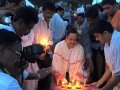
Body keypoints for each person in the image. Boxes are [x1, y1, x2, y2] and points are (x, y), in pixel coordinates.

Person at [92, 20, 120, 90]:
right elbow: (110, 68)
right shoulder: (107, 45)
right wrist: (98, 83)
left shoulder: (117, 42)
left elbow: (118, 75)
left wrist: (103, 89)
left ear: (105, 33)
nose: (96, 39)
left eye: (97, 36)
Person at [85, 6, 105, 83]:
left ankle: (104, 83)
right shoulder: (85, 26)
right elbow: (86, 43)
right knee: (92, 65)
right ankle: (94, 82)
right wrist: (89, 59)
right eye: (88, 20)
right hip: (92, 45)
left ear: (97, 17)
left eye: (92, 20)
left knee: (106, 64)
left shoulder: (104, 17)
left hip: (105, 44)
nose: (90, 22)